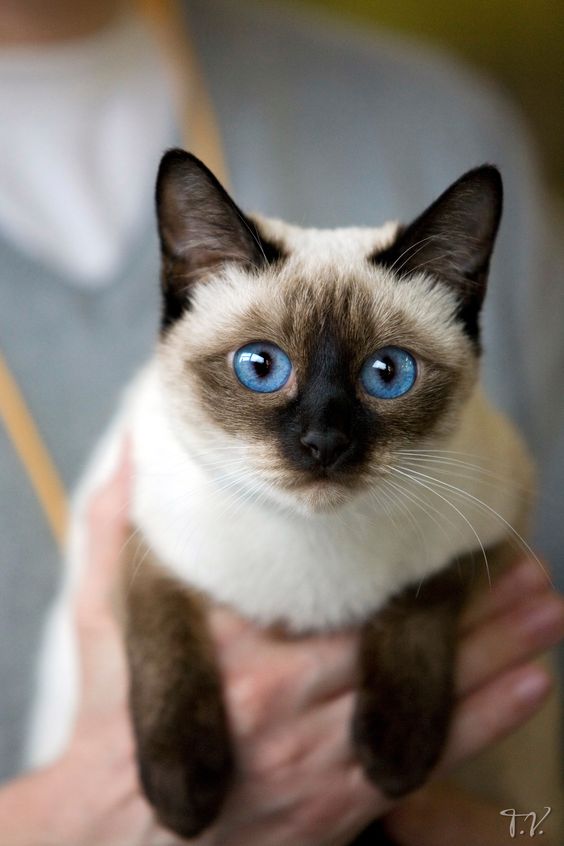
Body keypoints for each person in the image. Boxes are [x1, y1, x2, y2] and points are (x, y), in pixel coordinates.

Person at [0, 0, 562, 842]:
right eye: (261, 370)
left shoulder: (436, 116)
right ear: (185, 289)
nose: (323, 439)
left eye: (387, 375)